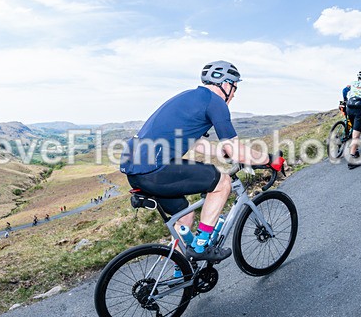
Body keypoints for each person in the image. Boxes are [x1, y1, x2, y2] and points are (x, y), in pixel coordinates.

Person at [120, 61, 284, 261]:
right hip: (154, 169)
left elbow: (196, 143)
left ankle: (180, 273)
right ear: (225, 84)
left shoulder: (188, 97)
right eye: (234, 87)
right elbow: (236, 150)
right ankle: (200, 246)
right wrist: (269, 160)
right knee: (222, 183)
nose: (234, 94)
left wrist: (220, 151)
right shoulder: (216, 103)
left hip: (134, 170)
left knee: (185, 217)